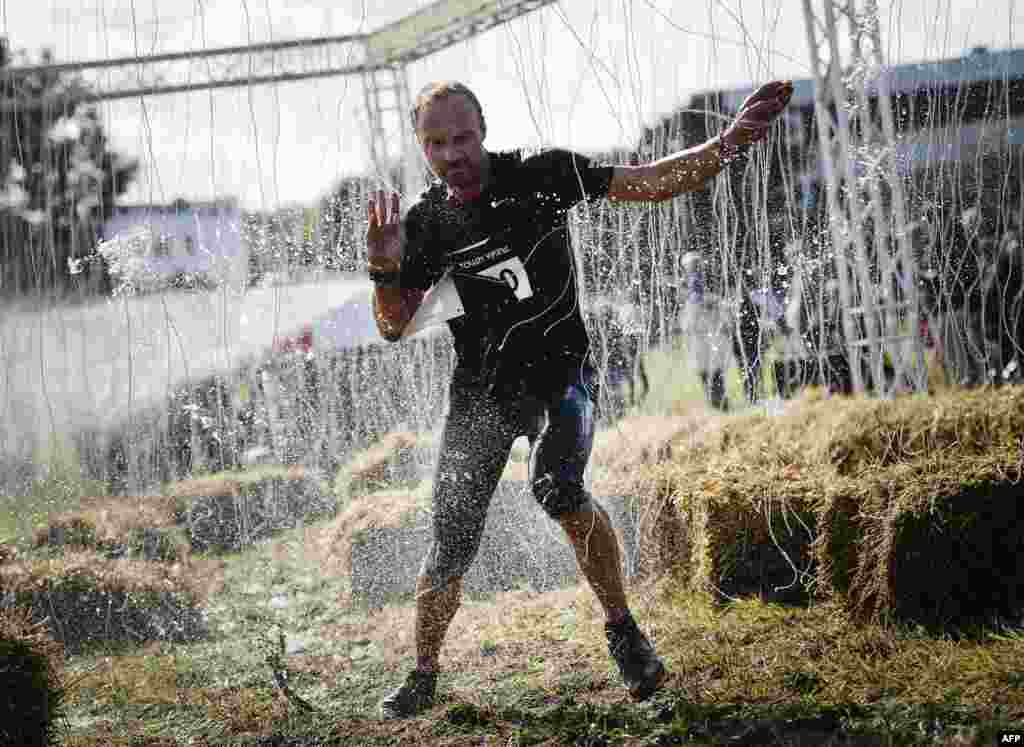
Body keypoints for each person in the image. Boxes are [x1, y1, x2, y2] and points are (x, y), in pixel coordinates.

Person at [366, 78, 793, 719]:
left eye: (463, 138)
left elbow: (653, 181)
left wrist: (728, 143)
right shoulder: (425, 224)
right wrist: (384, 268)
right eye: (437, 144)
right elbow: (393, 325)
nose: (453, 155)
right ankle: (423, 674)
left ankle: (624, 633)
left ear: (483, 132)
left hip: (559, 377)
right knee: (450, 538)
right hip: (481, 394)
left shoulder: (540, 176)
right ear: (421, 148)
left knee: (558, 488)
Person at [679, 251, 731, 411]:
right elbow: (687, 323)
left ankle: (719, 403)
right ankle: (717, 403)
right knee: (707, 373)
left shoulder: (708, 292)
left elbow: (723, 316)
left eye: (696, 265)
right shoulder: (691, 292)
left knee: (713, 373)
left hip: (709, 337)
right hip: (701, 339)